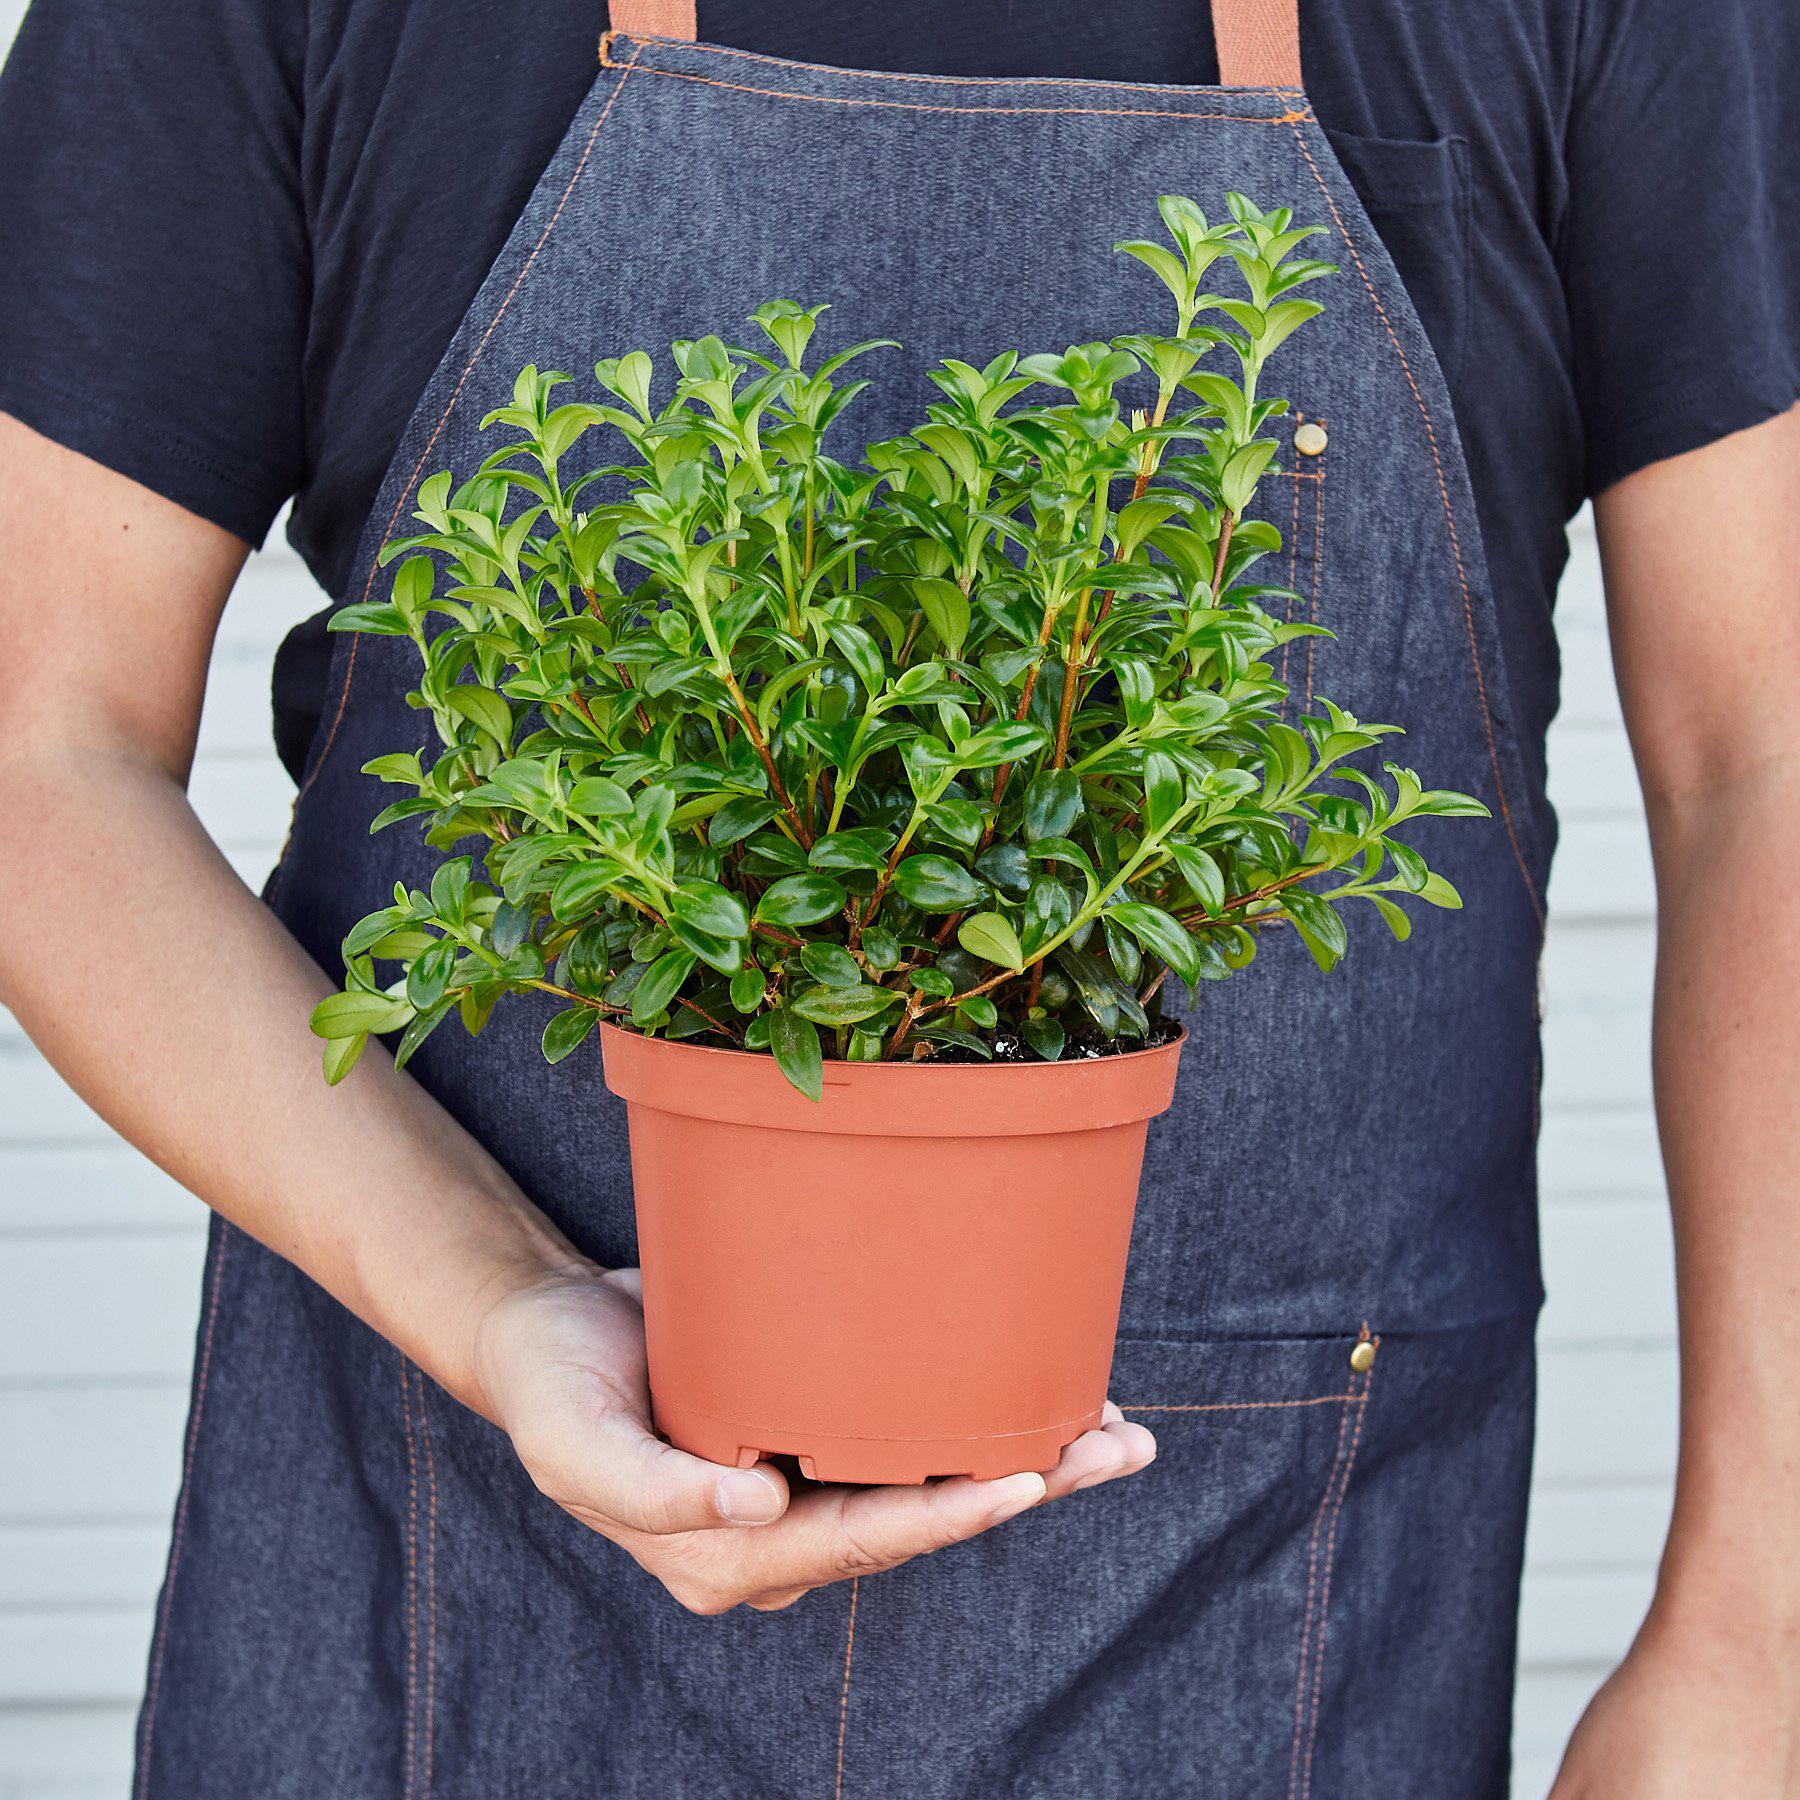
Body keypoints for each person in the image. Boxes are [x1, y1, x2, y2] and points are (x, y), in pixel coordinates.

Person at [0, 0, 1794, 1792]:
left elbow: (1759, 764)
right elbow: (40, 750)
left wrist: (1752, 1640)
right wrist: (496, 1300)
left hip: (1272, 1600)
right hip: (448, 1572)